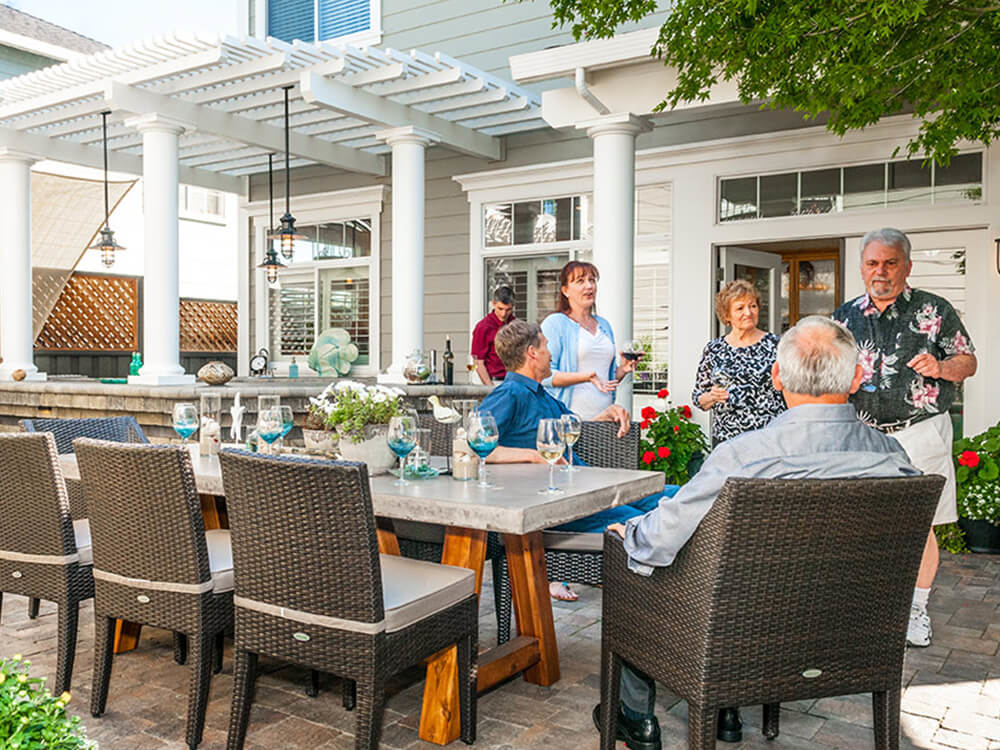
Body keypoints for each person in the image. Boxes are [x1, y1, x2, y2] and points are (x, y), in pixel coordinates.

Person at [597, 316, 920, 750]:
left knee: (635, 561)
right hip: (848, 630)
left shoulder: (744, 457)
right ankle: (726, 711)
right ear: (856, 378)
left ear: (777, 377)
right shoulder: (893, 458)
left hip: (737, 631)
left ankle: (636, 717)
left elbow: (662, 538)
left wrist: (629, 534)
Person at [833, 227, 977, 649]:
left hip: (920, 431)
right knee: (860, 524)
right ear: (861, 267)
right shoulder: (844, 318)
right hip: (862, 435)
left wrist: (942, 367)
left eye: (890, 262)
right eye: (873, 263)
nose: (881, 271)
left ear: (907, 266)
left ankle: (915, 608)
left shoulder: (935, 309)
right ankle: (870, 608)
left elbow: (968, 361)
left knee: (921, 525)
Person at [479, 319, 661, 600]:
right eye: (546, 346)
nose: (551, 353)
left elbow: (574, 427)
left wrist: (607, 413)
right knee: (645, 524)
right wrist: (532, 456)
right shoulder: (509, 394)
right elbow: (475, 447)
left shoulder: (542, 395)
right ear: (532, 353)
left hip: (588, 491)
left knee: (671, 497)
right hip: (561, 509)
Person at [541, 261, 639, 419]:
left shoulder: (604, 325)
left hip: (603, 419)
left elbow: (605, 380)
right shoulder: (555, 323)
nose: (589, 286)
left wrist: (622, 370)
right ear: (565, 291)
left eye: (592, 280)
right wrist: (585, 377)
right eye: (580, 281)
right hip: (567, 420)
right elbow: (544, 375)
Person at [693, 279, 785, 445]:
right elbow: (699, 399)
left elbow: (792, 390)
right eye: (740, 308)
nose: (748, 312)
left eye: (753, 306)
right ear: (727, 315)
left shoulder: (776, 345)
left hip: (768, 439)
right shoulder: (715, 348)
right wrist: (713, 396)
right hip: (727, 440)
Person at [471, 286, 515, 385]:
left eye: (508, 310)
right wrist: (490, 388)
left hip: (514, 381)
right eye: (500, 309)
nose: (504, 314)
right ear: (493, 304)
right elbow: (478, 362)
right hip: (492, 381)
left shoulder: (516, 325)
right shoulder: (483, 327)